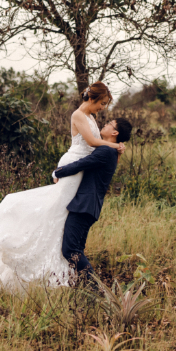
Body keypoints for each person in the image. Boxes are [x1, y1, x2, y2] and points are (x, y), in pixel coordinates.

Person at [0, 82, 125, 295]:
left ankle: (60, 273)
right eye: (102, 103)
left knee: (62, 218)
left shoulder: (93, 118)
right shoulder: (78, 115)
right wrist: (115, 145)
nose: (102, 108)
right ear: (92, 98)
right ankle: (30, 252)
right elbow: (91, 141)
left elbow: (96, 146)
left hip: (81, 172)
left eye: (105, 105)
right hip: (72, 166)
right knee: (55, 210)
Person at [53, 116, 133, 287]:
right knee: (77, 249)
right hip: (88, 206)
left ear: (115, 132)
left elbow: (82, 164)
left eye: (108, 124)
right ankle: (85, 288)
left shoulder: (106, 152)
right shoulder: (110, 150)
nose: (104, 125)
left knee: (70, 250)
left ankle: (97, 289)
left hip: (84, 206)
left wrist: (57, 172)